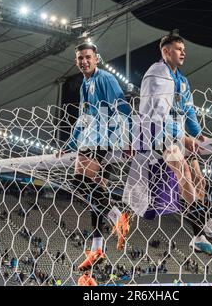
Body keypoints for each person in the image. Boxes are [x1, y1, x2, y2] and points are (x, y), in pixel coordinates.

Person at [127, 31, 212, 255]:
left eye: (184, 49)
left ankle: (201, 232)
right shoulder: (156, 74)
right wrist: (185, 137)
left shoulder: (182, 81)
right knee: (182, 171)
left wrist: (199, 134)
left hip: (178, 133)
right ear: (166, 51)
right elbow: (157, 113)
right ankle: (202, 227)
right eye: (178, 48)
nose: (183, 52)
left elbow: (188, 110)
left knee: (199, 180)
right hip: (158, 134)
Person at [57, 42, 133, 272]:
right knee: (94, 194)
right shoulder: (84, 85)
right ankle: (97, 248)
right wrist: (69, 144)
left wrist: (125, 138)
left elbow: (121, 107)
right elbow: (83, 118)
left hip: (103, 139)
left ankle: (117, 215)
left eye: (88, 57)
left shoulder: (106, 79)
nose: (84, 61)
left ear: (96, 58)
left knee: (79, 182)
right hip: (91, 139)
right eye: (80, 58)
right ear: (76, 60)